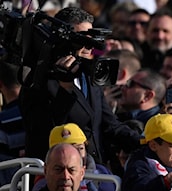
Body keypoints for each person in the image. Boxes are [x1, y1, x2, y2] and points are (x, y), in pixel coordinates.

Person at [20, 7, 141, 164]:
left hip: (94, 172)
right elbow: (42, 132)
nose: (89, 46)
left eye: (92, 38)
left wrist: (146, 141)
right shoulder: (37, 80)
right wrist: (65, 88)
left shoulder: (89, 76)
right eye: (82, 39)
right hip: (57, 174)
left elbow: (110, 126)